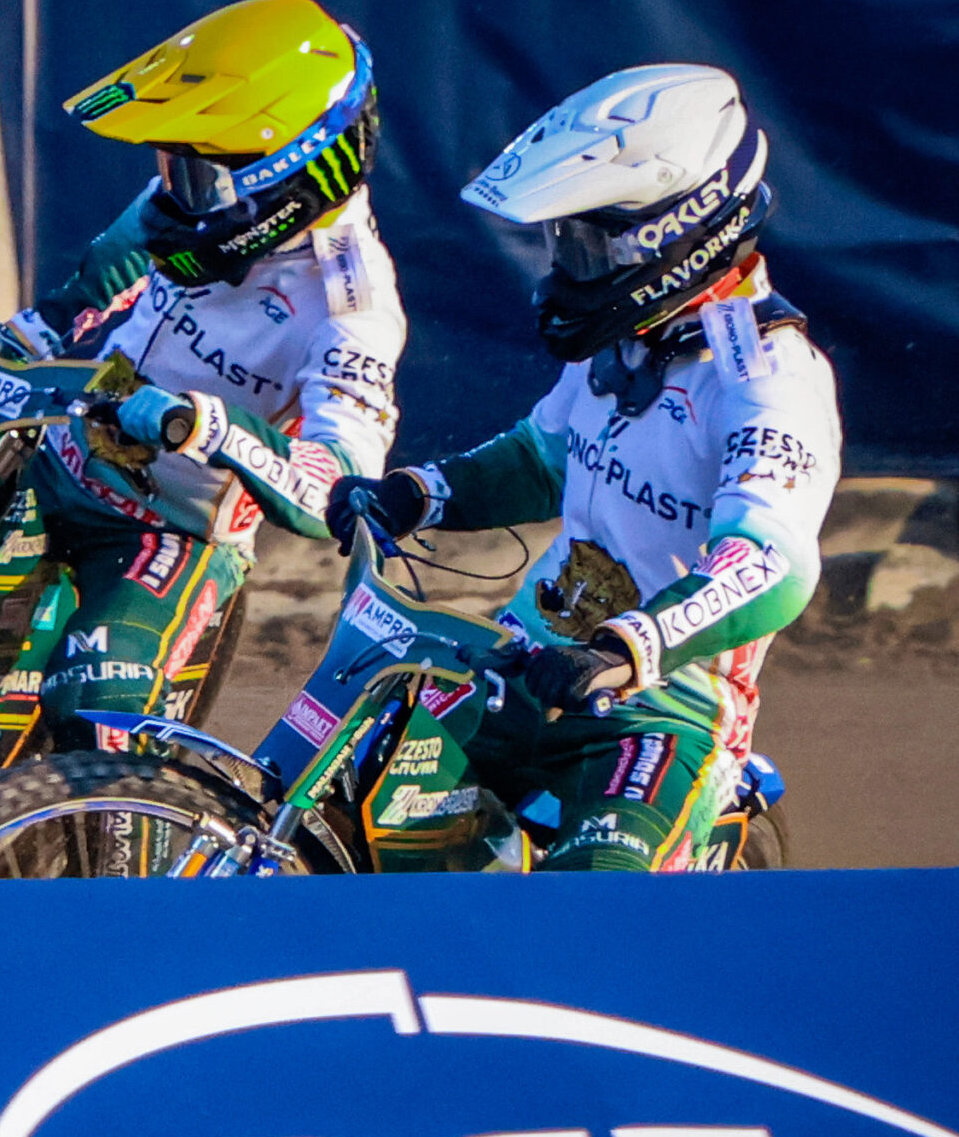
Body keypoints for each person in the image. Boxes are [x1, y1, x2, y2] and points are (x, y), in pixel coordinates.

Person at [328, 64, 841, 871]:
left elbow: (770, 564)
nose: (565, 269)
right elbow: (543, 459)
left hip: (662, 711)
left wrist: (630, 646)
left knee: (588, 906)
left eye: (588, 246)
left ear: (677, 236)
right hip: (530, 661)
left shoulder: (771, 380)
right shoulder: (625, 341)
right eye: (564, 243)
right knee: (354, 792)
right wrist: (418, 493)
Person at [0, 0, 407, 749]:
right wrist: (41, 326)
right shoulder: (202, 202)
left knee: (95, 714)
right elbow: (123, 250)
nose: (170, 191)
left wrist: (210, 427)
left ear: (285, 185)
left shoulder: (353, 309)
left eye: (195, 174)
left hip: (170, 535)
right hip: (58, 458)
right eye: (171, 165)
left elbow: (341, 489)